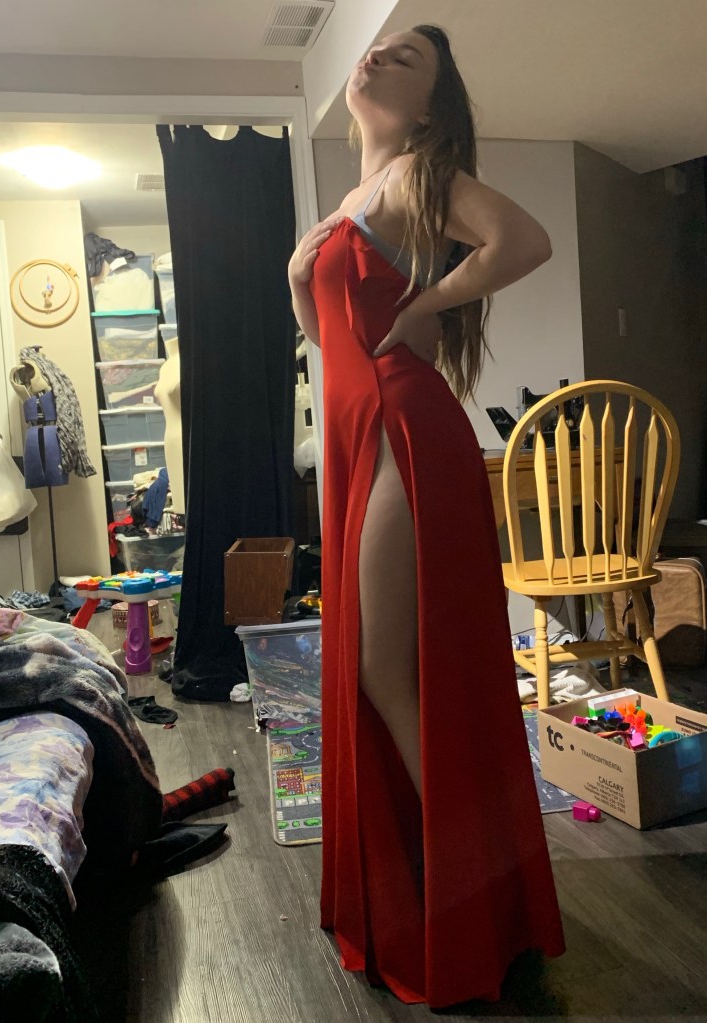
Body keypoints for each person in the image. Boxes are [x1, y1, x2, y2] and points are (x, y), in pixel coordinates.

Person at [288, 23, 565, 1010]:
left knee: (386, 666)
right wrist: (300, 282)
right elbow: (332, 343)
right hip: (360, 433)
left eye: (405, 58)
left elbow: (523, 241)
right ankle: (458, 887)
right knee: (384, 663)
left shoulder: (414, 173)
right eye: (378, 50)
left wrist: (426, 305)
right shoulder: (355, 198)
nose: (375, 57)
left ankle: (475, 893)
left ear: (429, 108)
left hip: (406, 429)